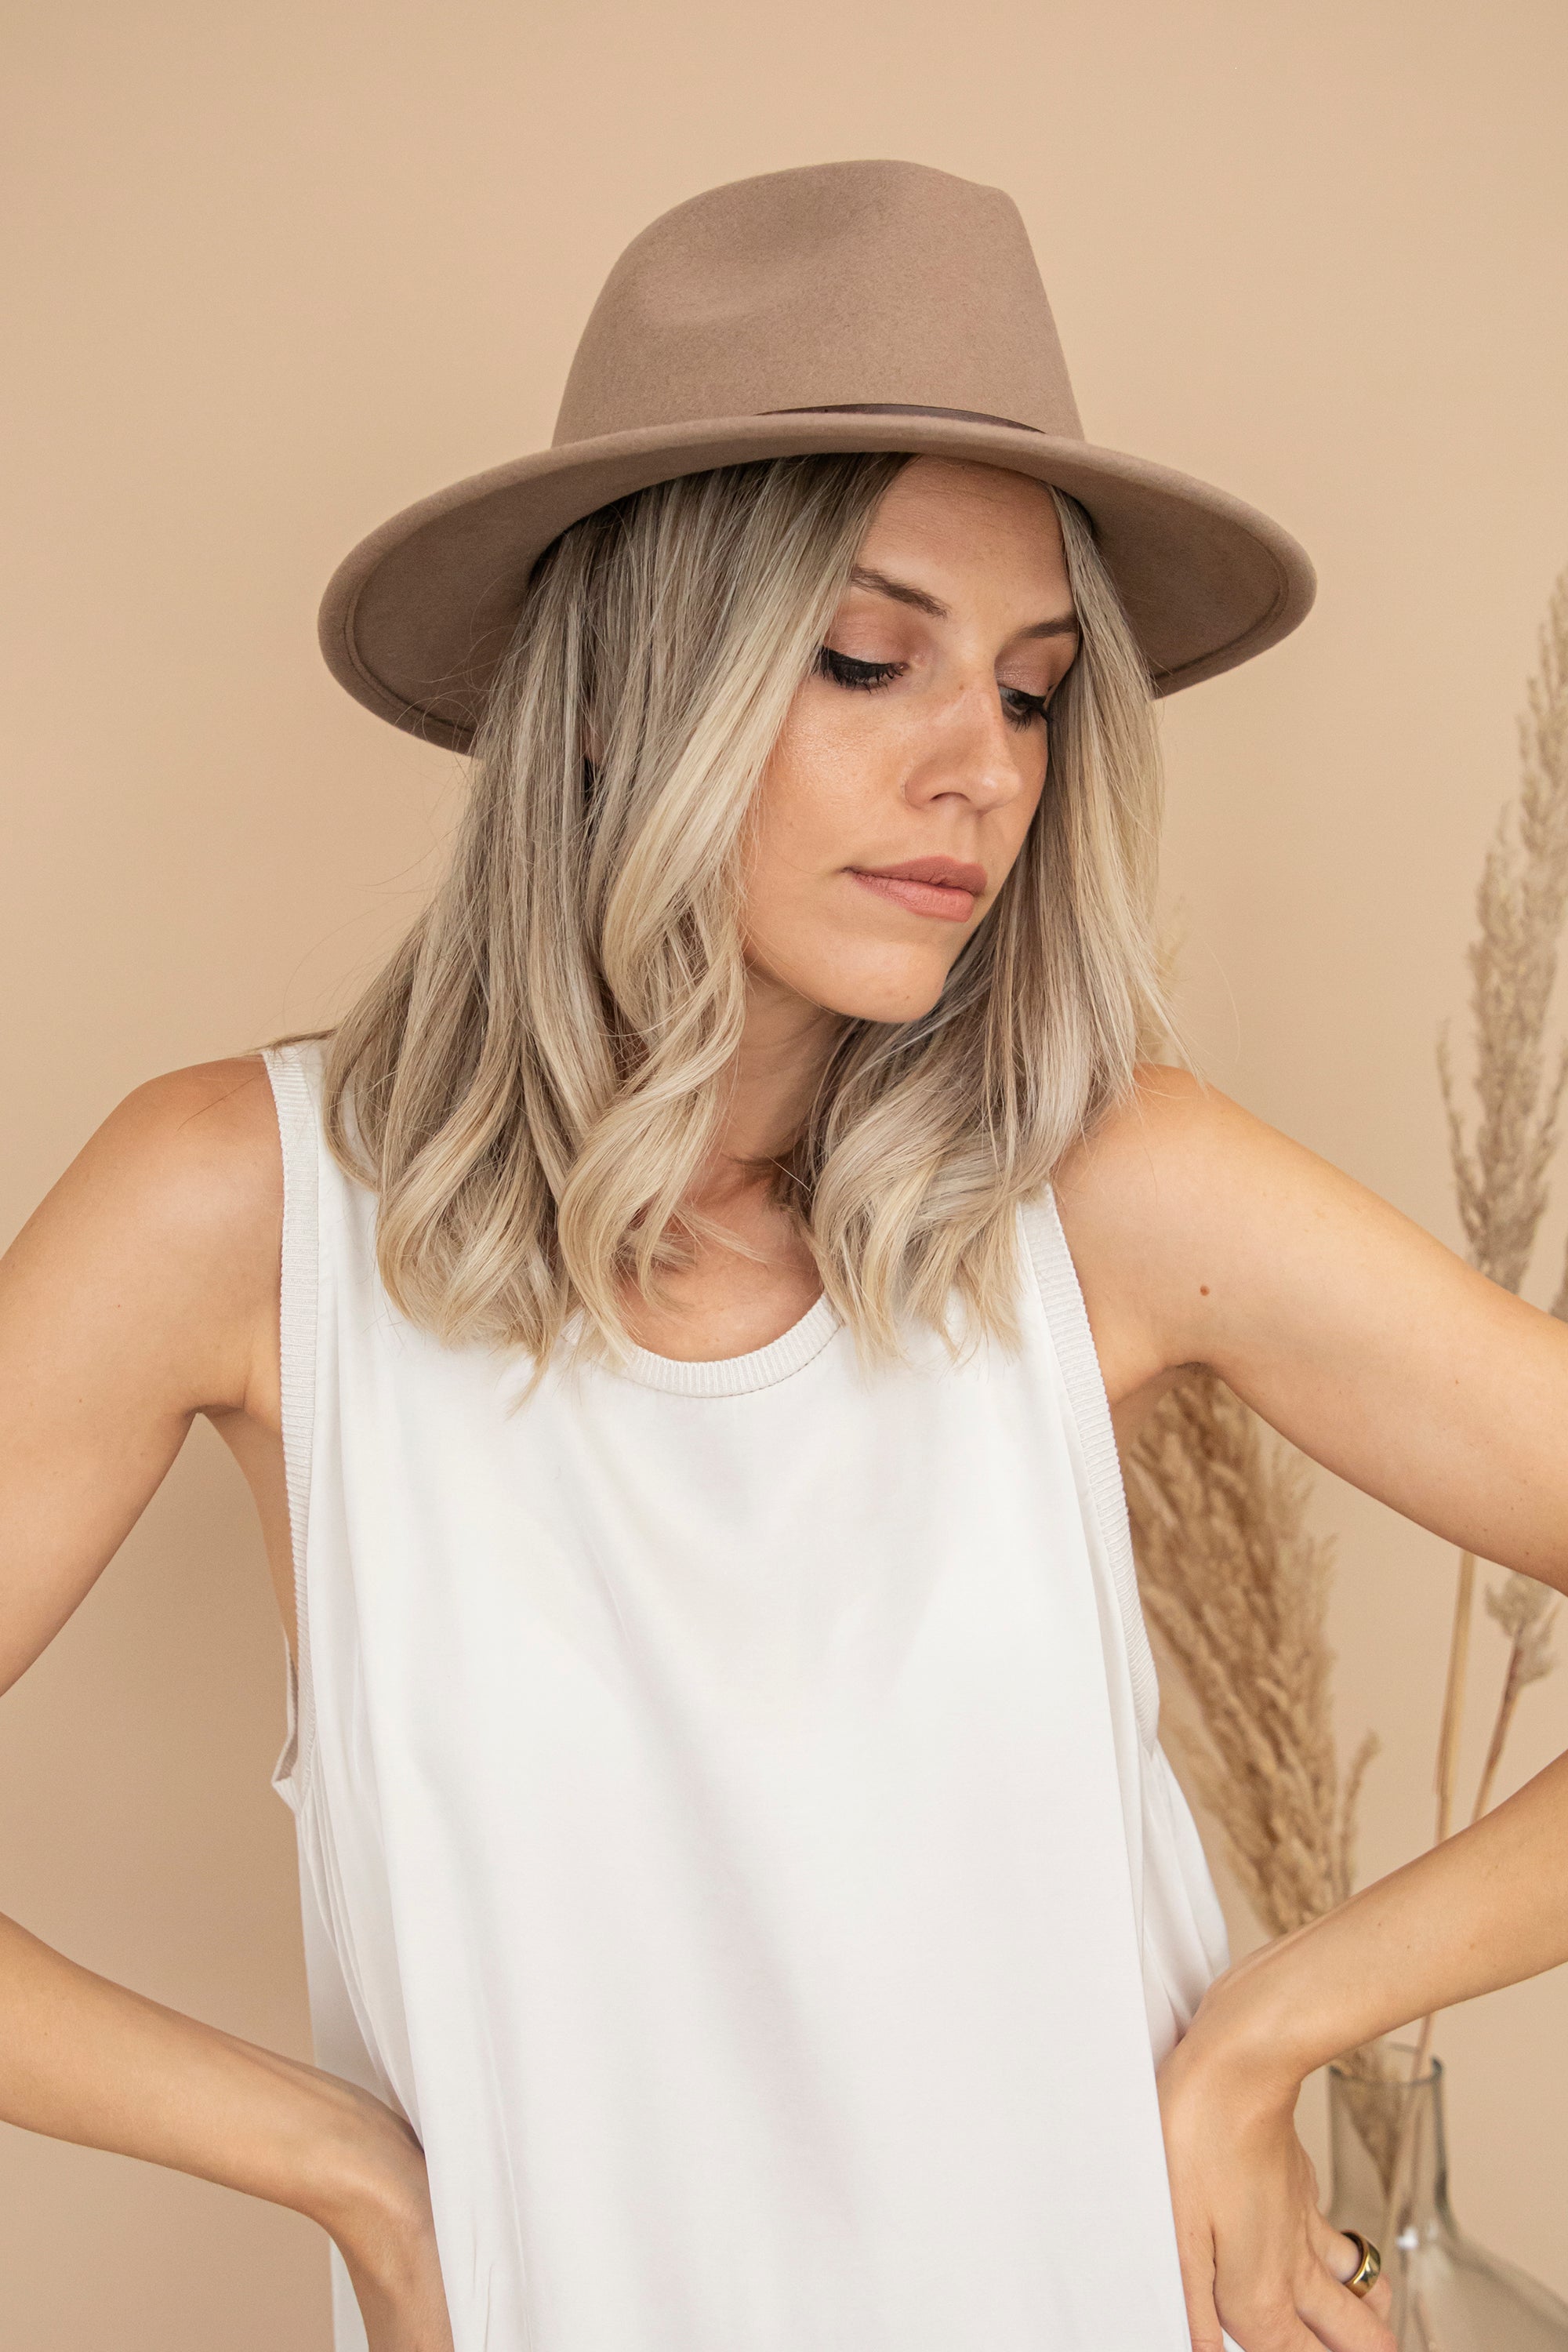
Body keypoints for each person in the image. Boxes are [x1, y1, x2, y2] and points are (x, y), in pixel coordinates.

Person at [2, 158, 1565, 2352]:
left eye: (1031, 694)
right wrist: (341, 2166)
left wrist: (1271, 2030)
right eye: (865, 659)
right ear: (621, 689)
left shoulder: (1106, 1195)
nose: (979, 773)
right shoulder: (244, 1216)